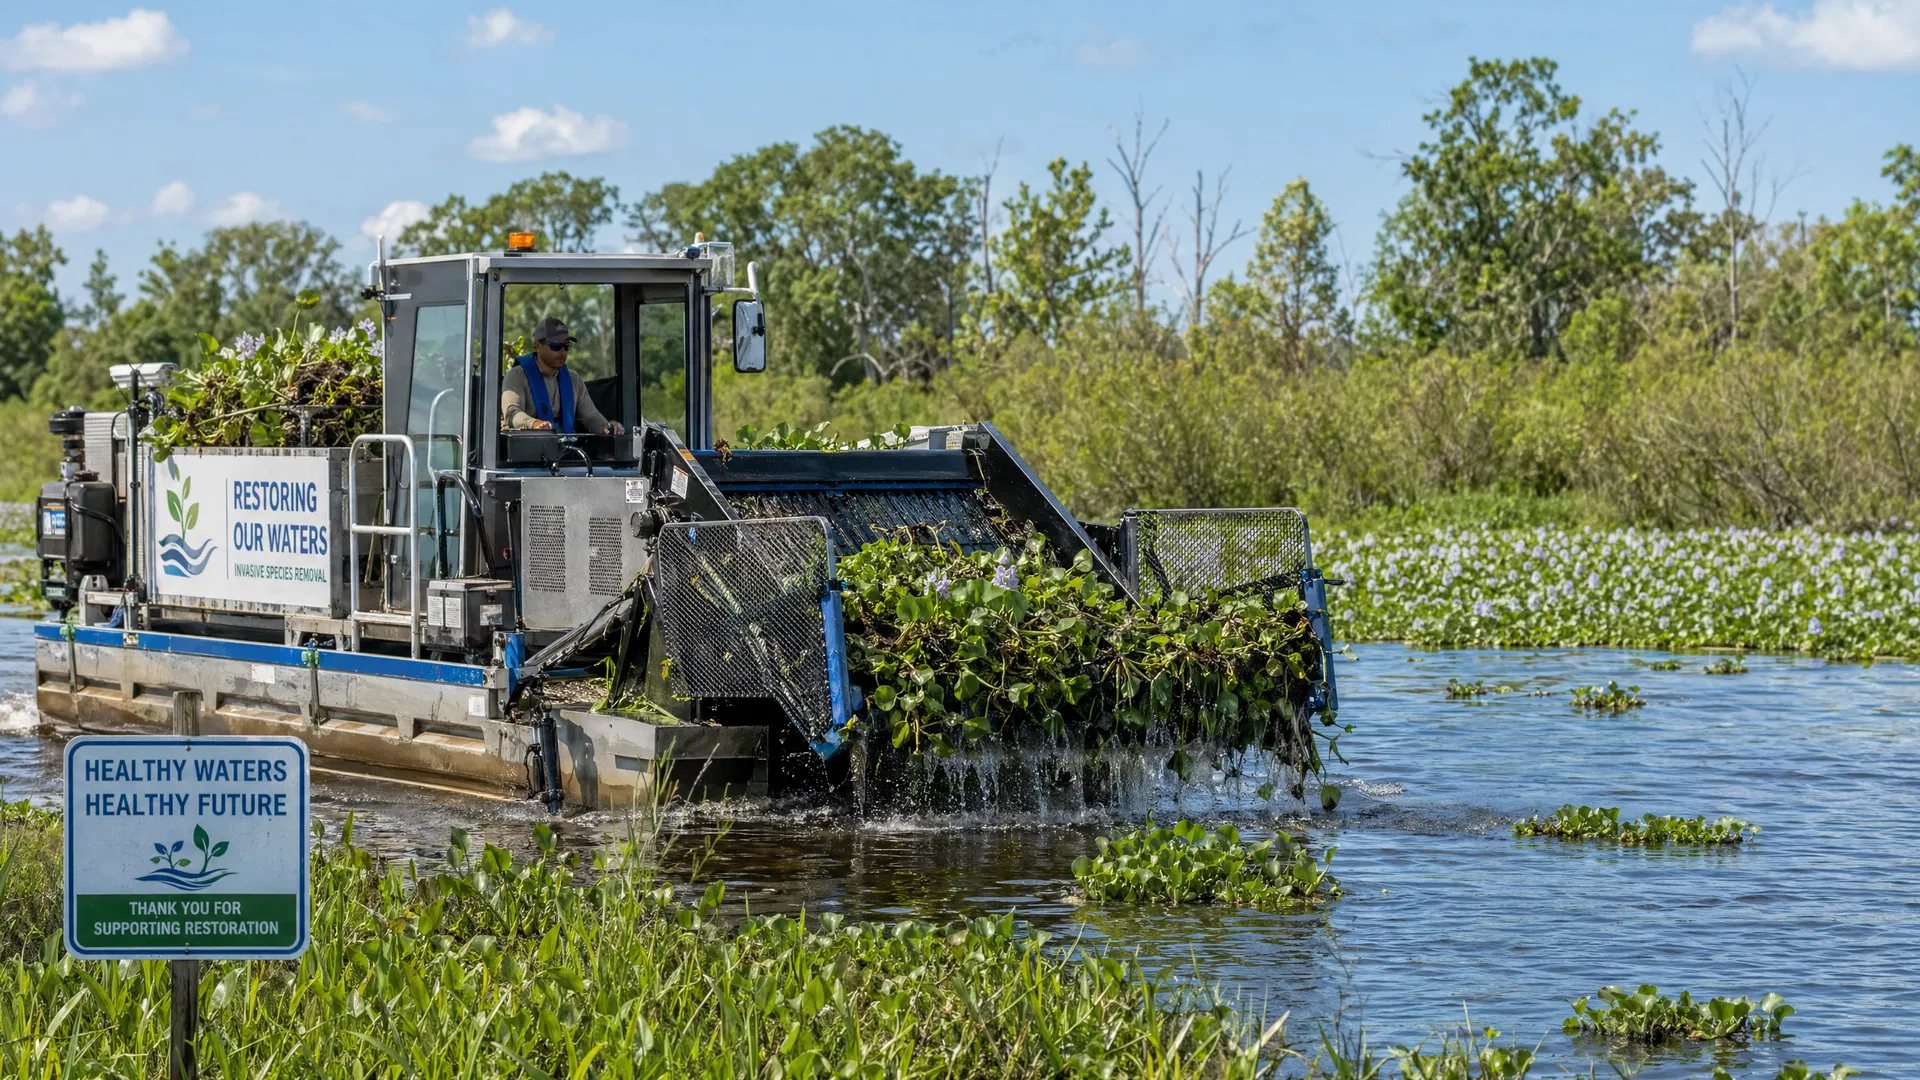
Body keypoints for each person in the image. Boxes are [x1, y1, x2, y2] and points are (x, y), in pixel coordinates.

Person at [501, 316, 624, 434]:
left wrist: (605, 426)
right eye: (556, 346)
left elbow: (590, 417)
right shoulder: (517, 376)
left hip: (566, 452)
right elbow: (512, 413)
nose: (563, 352)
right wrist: (533, 424)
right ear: (538, 346)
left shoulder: (573, 379)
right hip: (530, 451)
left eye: (566, 346)